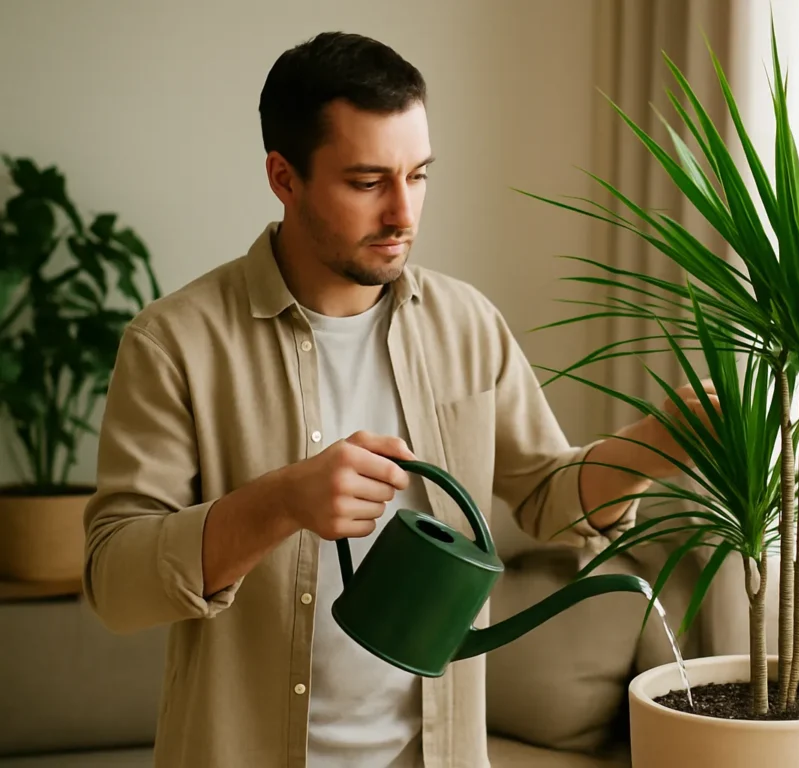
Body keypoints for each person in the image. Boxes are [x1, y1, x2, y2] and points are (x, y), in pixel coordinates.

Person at [83, 31, 713, 768]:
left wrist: (662, 440)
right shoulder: (174, 342)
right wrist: (283, 502)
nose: (402, 213)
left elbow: (550, 498)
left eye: (417, 175)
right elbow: (114, 581)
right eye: (366, 181)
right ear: (283, 177)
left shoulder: (466, 322)